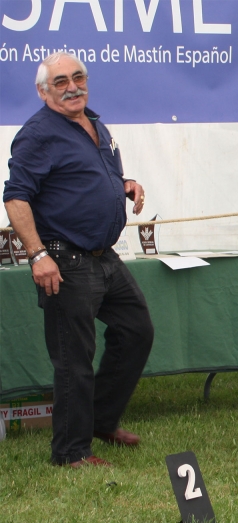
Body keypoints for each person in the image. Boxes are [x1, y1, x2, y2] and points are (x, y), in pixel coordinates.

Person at [3, 52, 154, 468]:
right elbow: (16, 197)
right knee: (74, 359)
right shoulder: (37, 134)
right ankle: (70, 452)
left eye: (78, 77)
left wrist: (124, 184)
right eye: (61, 82)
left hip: (104, 257)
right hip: (63, 260)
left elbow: (85, 177)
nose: (73, 87)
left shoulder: (95, 123)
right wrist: (37, 255)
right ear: (43, 90)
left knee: (137, 330)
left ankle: (101, 420)